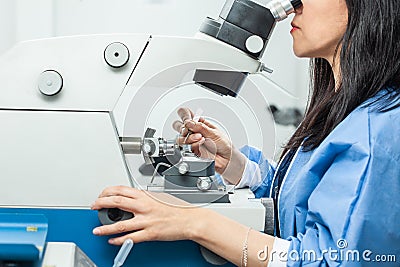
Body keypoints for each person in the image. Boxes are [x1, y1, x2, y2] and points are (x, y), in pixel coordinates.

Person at [91, 0, 400, 265]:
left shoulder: (377, 130)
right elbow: (298, 209)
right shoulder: (345, 111)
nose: (295, 5)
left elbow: (326, 260)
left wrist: (192, 222)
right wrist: (235, 165)